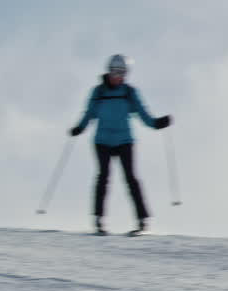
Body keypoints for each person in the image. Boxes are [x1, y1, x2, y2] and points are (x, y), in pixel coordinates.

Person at [69, 54, 171, 235]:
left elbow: (143, 114)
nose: (118, 76)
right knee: (103, 178)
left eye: (122, 73)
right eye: (115, 72)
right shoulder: (98, 92)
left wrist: (156, 124)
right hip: (102, 142)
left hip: (124, 141)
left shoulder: (129, 92)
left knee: (131, 178)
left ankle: (142, 220)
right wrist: (79, 128)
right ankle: (99, 220)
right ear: (108, 71)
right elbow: (89, 114)